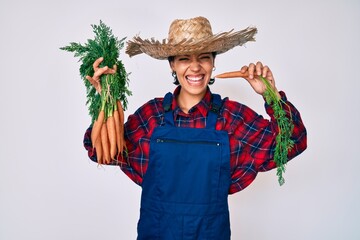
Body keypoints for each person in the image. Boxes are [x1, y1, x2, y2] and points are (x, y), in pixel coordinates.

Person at [84, 16, 307, 239]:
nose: (195, 67)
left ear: (213, 62)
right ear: (172, 64)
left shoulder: (231, 118)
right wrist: (106, 100)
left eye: (204, 57)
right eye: (183, 58)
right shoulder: (151, 117)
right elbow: (99, 152)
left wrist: (270, 93)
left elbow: (294, 141)